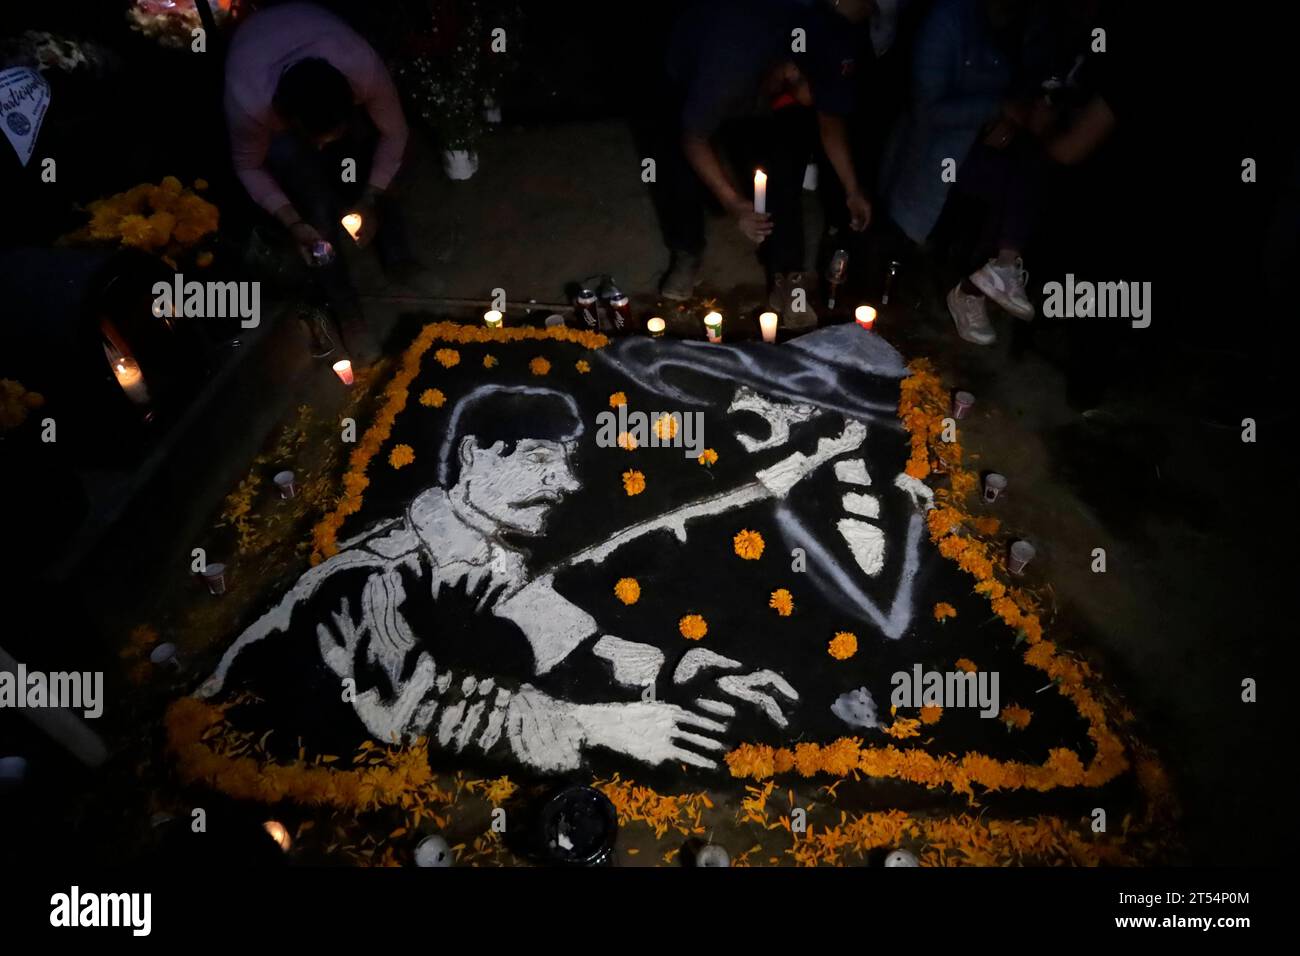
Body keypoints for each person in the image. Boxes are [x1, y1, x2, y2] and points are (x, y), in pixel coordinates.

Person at [198, 386, 796, 773]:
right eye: (541, 461)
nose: (565, 484)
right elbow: (413, 713)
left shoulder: (487, 551)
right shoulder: (373, 577)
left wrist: (677, 668)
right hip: (256, 755)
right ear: (475, 455)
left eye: (563, 465)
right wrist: (598, 725)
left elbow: (549, 632)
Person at [654, 0, 874, 329]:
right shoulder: (731, 58)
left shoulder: (823, 34)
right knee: (681, 169)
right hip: (688, 66)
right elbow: (693, 138)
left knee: (779, 158)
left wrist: (852, 189)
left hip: (758, 79)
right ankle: (687, 251)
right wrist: (735, 204)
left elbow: (829, 119)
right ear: (792, 70)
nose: (817, 105)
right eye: (815, 92)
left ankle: (787, 276)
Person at [223, 1, 414, 362]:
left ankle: (400, 257)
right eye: (319, 139)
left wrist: (370, 197)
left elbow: (396, 132)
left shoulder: (361, 66)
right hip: (259, 66)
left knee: (377, 162)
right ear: (290, 120)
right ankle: (348, 312)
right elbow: (248, 167)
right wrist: (294, 223)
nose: (324, 146)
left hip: (313, 33)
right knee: (316, 210)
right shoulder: (250, 103)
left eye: (332, 134)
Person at [878, 0, 1035, 345]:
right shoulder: (948, 20)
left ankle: (989, 277)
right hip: (937, 153)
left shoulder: (1027, 27)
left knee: (1032, 165)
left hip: (988, 148)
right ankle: (975, 284)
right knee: (1015, 177)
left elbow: (1028, 91)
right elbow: (927, 110)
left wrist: (1011, 118)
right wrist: (996, 110)